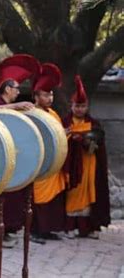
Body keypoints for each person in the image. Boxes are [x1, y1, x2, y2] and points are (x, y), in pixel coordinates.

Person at [0, 54, 40, 248]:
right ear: (7, 89)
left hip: (11, 156)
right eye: (16, 88)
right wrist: (13, 106)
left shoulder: (11, 105)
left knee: (11, 199)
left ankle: (4, 232)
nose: (18, 92)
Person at [62, 76, 110, 239]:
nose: (80, 109)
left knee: (90, 193)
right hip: (72, 166)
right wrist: (71, 138)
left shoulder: (94, 123)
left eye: (83, 106)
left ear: (87, 106)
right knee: (73, 193)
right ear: (72, 106)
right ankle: (70, 227)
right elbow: (60, 141)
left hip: (90, 163)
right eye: (77, 106)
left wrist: (89, 141)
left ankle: (88, 228)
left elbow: (99, 143)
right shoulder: (66, 122)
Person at [30, 63, 67, 243]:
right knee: (38, 198)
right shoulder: (32, 113)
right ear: (36, 96)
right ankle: (35, 231)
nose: (49, 97)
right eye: (45, 94)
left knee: (53, 198)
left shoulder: (53, 113)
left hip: (54, 163)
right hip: (39, 164)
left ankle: (49, 230)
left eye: (51, 94)